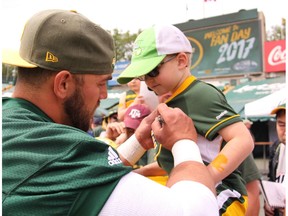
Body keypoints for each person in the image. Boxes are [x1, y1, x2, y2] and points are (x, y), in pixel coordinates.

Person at [2, 9, 219, 215]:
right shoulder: (63, 154)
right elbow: (195, 212)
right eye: (100, 83)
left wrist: (138, 143)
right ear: (64, 84)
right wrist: (184, 143)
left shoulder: (13, 123)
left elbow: (85, 175)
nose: (104, 95)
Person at [117, 24, 254, 215]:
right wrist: (136, 174)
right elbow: (177, 164)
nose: (148, 81)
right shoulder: (174, 101)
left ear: (181, 60)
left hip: (222, 194)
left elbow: (242, 139)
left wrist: (207, 177)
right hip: (193, 190)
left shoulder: (200, 93)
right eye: (143, 75)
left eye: (153, 71)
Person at [264, 103, 286, 216]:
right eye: (281, 124)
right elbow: (272, 179)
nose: (285, 130)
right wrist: (268, 201)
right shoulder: (276, 147)